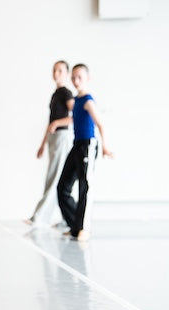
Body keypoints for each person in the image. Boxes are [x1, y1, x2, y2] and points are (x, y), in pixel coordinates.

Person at [57, 64, 113, 241]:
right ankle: (75, 226)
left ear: (87, 79)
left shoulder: (88, 101)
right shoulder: (77, 100)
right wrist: (56, 123)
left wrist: (105, 146)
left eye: (79, 77)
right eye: (73, 77)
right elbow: (74, 119)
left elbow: (100, 124)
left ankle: (84, 228)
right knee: (63, 187)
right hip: (77, 145)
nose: (76, 80)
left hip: (88, 145)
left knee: (85, 186)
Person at [26, 60, 74, 228]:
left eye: (60, 70)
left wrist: (57, 123)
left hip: (62, 137)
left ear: (67, 73)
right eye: (54, 70)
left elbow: (75, 116)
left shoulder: (66, 93)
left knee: (55, 177)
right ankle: (67, 219)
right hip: (53, 139)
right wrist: (43, 144)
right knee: (58, 178)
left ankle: (39, 217)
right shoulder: (56, 94)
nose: (56, 73)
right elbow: (50, 121)